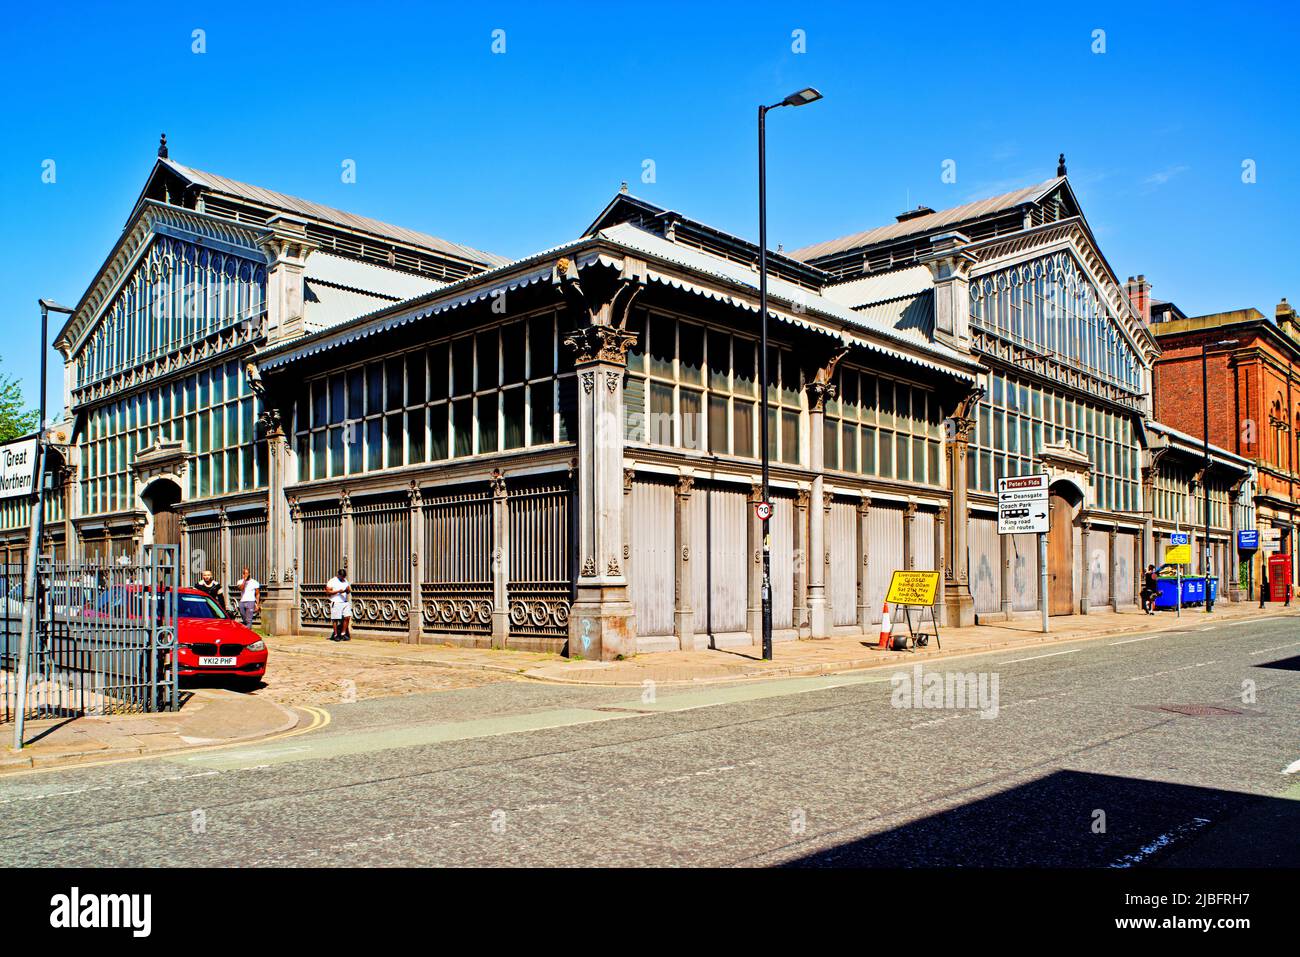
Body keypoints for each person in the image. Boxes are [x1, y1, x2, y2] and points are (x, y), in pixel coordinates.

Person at [326, 568, 351, 641]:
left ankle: (343, 633)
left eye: (344, 577)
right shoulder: (332, 581)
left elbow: (349, 590)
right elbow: (327, 592)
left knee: (347, 617)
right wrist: (338, 591)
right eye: (342, 577)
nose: (343, 578)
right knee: (335, 619)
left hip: (344, 602)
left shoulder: (345, 580)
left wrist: (347, 590)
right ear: (338, 575)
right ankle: (336, 634)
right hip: (336, 601)